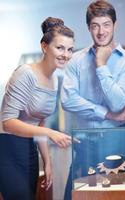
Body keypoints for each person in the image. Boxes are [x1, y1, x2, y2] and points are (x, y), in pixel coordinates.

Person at [61, 1, 125, 199]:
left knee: (116, 198)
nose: (101, 31)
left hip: (119, 146)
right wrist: (108, 114)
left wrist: (101, 65)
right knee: (74, 197)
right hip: (85, 146)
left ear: (115, 25)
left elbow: (119, 102)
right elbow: (67, 100)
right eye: (95, 25)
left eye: (106, 24)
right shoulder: (76, 60)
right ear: (88, 28)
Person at [0, 17, 74, 200]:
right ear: (44, 46)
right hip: (7, 147)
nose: (66, 54)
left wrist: (47, 162)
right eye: (60, 47)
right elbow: (8, 122)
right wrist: (51, 133)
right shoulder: (26, 74)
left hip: (28, 148)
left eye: (70, 49)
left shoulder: (55, 79)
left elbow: (40, 123)